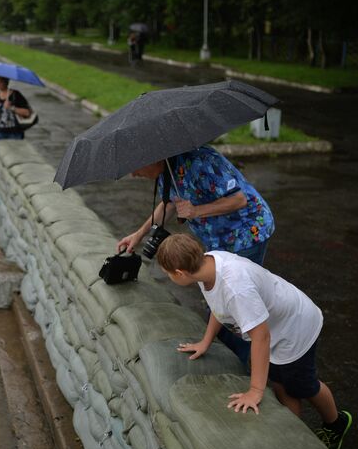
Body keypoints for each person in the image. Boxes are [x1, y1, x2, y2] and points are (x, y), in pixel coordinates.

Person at [156, 233, 352, 449]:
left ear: (180, 273)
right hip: (275, 327)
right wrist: (205, 341)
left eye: (168, 274)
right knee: (280, 383)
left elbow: (261, 337)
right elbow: (219, 308)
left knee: (303, 385)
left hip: (294, 329)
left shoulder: (235, 288)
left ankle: (336, 423)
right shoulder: (205, 265)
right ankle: (292, 437)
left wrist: (255, 390)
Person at [117, 145, 274, 363]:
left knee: (236, 299)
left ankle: (246, 363)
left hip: (246, 233)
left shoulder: (202, 162)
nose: (134, 174)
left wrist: (196, 211)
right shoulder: (167, 170)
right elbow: (169, 203)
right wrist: (139, 234)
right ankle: (223, 347)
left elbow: (239, 200)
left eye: (135, 168)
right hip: (217, 238)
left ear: (152, 158)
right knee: (219, 295)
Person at [0, 76, 32, 140]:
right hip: (1, 133)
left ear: (6, 82)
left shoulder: (16, 94)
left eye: (0, 82)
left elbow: (27, 113)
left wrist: (11, 108)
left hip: (16, 133)